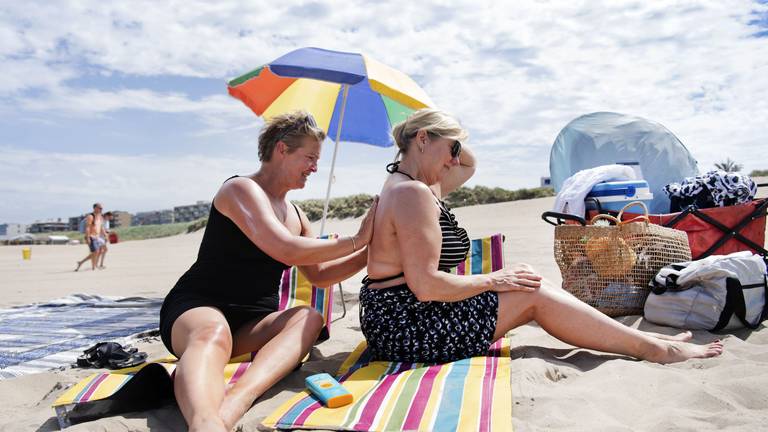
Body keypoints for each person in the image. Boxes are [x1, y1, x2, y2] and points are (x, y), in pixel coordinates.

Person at [360, 108, 723, 366]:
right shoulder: (414, 194)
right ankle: (653, 350)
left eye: (456, 151)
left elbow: (470, 163)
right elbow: (425, 286)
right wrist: (493, 279)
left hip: (399, 314)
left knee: (529, 280)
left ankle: (643, 341)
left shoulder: (412, 183)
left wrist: (446, 133)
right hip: (407, 325)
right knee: (530, 292)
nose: (455, 160)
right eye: (451, 150)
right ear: (422, 140)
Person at [159, 111, 377, 432]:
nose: (315, 167)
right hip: (197, 309)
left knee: (310, 317)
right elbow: (284, 248)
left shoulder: (297, 214)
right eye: (310, 157)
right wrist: (358, 239)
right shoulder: (240, 189)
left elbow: (319, 275)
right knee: (213, 332)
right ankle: (205, 423)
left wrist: (369, 252)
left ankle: (237, 400)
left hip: (251, 324)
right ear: (281, 150)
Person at [74, 203, 105, 272]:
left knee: (97, 252)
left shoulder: (100, 217)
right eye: (100, 208)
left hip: (97, 237)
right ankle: (89, 266)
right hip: (91, 236)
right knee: (95, 252)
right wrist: (88, 238)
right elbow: (87, 227)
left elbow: (101, 227)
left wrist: (104, 234)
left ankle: (90, 266)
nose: (101, 209)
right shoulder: (90, 216)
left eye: (101, 208)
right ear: (95, 208)